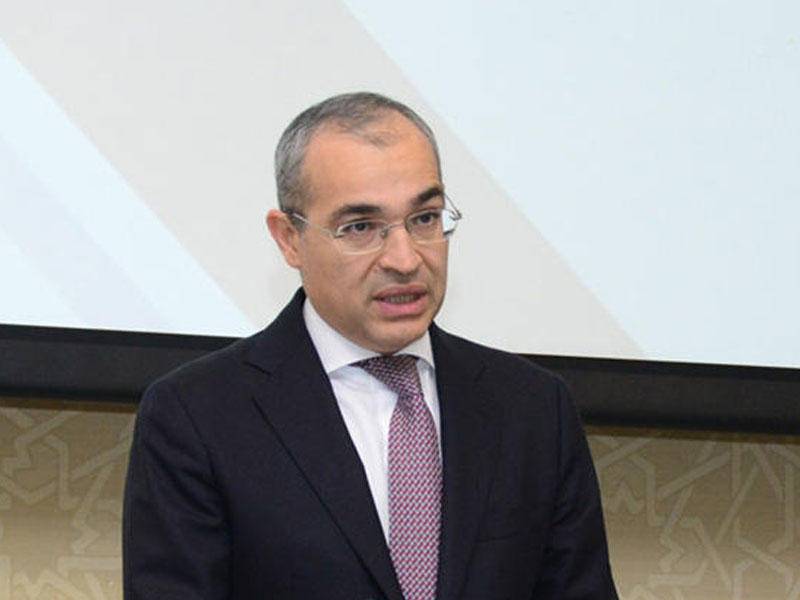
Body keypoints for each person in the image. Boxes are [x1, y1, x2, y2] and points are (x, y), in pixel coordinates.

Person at [123, 92, 618, 599]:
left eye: (424, 218)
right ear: (289, 238)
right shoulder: (197, 415)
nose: (405, 259)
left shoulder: (533, 409)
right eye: (360, 227)